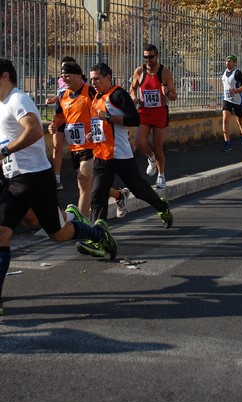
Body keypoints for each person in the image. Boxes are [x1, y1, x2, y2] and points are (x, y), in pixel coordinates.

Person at [0, 58, 118, 316]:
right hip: (12, 180)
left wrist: (5, 150)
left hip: (34, 178)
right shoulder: (1, 104)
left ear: (5, 76)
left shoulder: (17, 100)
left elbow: (33, 131)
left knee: (58, 233)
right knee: (6, 233)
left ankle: (97, 234)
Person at [77, 63, 172, 257]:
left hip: (121, 155)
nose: (93, 83)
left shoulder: (118, 94)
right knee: (98, 196)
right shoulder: (96, 96)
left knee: (139, 189)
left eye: (97, 79)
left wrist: (110, 117)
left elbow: (134, 119)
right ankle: (98, 239)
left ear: (108, 78)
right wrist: (91, 134)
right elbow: (99, 123)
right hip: (102, 156)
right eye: (92, 79)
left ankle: (162, 207)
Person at [48, 61, 129, 218]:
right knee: (90, 185)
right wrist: (53, 126)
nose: (64, 79)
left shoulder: (91, 92)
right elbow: (58, 118)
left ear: (78, 76)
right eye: (62, 76)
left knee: (83, 181)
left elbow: (104, 110)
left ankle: (82, 222)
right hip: (75, 147)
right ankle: (119, 195)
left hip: (92, 145)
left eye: (67, 76)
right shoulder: (63, 97)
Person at [130, 44, 177, 189]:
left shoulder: (165, 73)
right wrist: (134, 98)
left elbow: (174, 96)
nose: (148, 60)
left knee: (158, 147)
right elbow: (133, 88)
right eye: (145, 57)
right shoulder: (140, 71)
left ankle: (161, 174)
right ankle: (151, 159)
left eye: (150, 57)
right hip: (144, 112)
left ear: (157, 56)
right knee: (139, 142)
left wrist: (167, 93)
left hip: (159, 113)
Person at [46, 55, 77, 189]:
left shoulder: (81, 82)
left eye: (68, 67)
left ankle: (82, 177)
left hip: (73, 120)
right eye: (63, 67)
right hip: (59, 118)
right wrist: (53, 100)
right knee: (56, 148)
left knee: (76, 150)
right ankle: (56, 179)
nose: (65, 71)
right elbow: (61, 95)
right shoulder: (60, 81)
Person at [220, 55, 242, 152]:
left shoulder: (237, 73)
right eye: (226, 61)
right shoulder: (223, 73)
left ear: (234, 63)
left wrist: (236, 91)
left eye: (230, 61)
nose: (227, 63)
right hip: (227, 99)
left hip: (237, 100)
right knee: (225, 119)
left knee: (240, 120)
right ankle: (227, 142)